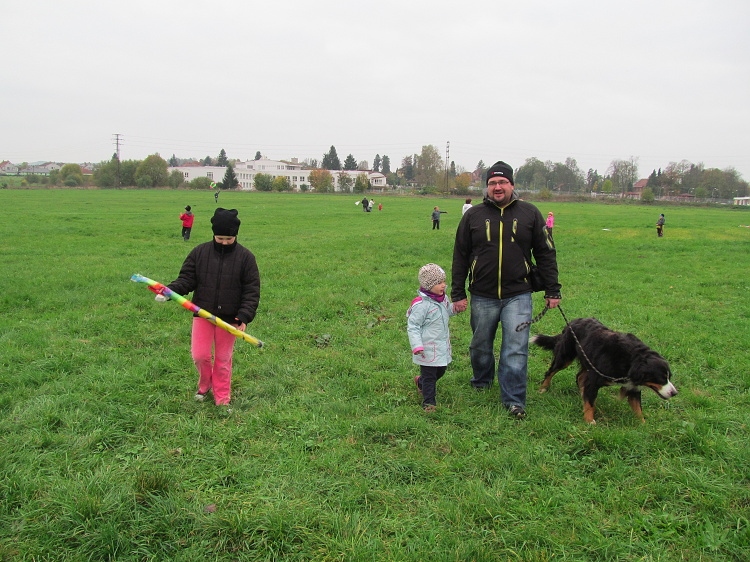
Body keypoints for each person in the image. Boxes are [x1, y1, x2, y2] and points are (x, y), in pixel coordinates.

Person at [451, 161, 561, 419]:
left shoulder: (530, 213)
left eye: (502, 182)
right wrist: (458, 293)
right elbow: (460, 255)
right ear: (487, 187)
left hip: (518, 294)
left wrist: (552, 289)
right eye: (492, 183)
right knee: (480, 345)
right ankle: (482, 381)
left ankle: (514, 399)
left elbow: (546, 253)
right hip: (482, 294)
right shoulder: (473, 215)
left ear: (512, 185)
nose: (497, 187)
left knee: (516, 348)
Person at [154, 208, 260, 413]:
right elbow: (186, 279)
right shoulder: (200, 253)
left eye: (229, 239)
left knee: (223, 360)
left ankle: (222, 397)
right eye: (220, 238)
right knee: (200, 356)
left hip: (230, 318)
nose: (224, 242)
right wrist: (170, 291)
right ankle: (205, 385)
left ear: (235, 235)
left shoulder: (246, 257)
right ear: (213, 234)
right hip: (203, 313)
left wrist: (244, 316)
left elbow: (251, 290)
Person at [407, 263, 459, 412]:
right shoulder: (421, 305)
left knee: (441, 370)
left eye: (444, 281)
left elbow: (447, 310)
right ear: (428, 285)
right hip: (427, 348)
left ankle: (420, 382)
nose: (443, 285)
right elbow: (413, 326)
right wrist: (417, 345)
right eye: (439, 283)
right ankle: (429, 403)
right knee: (430, 376)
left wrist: (455, 308)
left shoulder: (443, 299)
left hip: (441, 345)